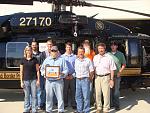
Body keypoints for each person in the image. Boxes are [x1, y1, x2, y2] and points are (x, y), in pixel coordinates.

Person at [40, 46, 68, 113]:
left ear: (57, 52)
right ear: (50, 52)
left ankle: (61, 110)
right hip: (49, 81)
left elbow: (66, 70)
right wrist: (44, 74)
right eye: (52, 51)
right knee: (48, 97)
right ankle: (48, 110)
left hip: (59, 81)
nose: (53, 52)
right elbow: (42, 69)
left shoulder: (62, 60)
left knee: (60, 97)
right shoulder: (47, 60)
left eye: (55, 51)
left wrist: (62, 74)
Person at [93, 43, 116, 113]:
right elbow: (94, 68)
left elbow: (112, 69)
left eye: (102, 48)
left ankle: (106, 108)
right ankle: (99, 107)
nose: (100, 50)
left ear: (104, 48)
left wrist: (111, 79)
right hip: (97, 77)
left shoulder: (109, 57)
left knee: (106, 94)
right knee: (97, 93)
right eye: (99, 48)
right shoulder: (95, 57)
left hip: (106, 77)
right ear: (97, 49)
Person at [74, 46, 94, 113]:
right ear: (77, 52)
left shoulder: (88, 60)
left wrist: (90, 78)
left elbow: (91, 70)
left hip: (85, 80)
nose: (81, 53)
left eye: (82, 52)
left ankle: (86, 110)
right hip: (77, 80)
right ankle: (79, 110)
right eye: (79, 52)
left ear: (84, 52)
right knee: (78, 96)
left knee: (86, 97)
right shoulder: (76, 60)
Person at [20, 46, 40, 113]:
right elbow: (21, 71)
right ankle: (26, 109)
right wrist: (21, 82)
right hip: (25, 80)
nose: (28, 51)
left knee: (34, 96)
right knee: (26, 96)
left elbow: (37, 70)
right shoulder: (22, 60)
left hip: (34, 80)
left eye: (29, 50)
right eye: (27, 50)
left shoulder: (35, 59)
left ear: (31, 51)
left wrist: (38, 80)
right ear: (25, 51)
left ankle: (34, 109)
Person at [109, 41, 126, 110]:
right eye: (112, 45)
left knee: (116, 91)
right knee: (109, 91)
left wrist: (120, 71)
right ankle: (110, 104)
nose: (113, 46)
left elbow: (124, 64)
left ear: (117, 46)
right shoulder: (107, 54)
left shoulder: (121, 54)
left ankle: (117, 105)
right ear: (110, 46)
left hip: (117, 75)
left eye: (114, 45)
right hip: (109, 76)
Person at [61, 42, 76, 109]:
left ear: (71, 48)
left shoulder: (75, 57)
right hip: (65, 77)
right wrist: (65, 75)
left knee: (73, 91)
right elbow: (61, 67)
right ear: (65, 48)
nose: (68, 48)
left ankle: (74, 104)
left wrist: (73, 75)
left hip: (73, 76)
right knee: (65, 91)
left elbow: (77, 67)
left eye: (70, 47)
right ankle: (65, 103)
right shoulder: (62, 57)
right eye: (67, 47)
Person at [31, 41, 44, 110]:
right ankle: (32, 105)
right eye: (33, 45)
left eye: (35, 45)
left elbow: (43, 63)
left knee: (39, 90)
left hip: (39, 74)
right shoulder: (29, 54)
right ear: (31, 46)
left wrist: (40, 66)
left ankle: (39, 104)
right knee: (32, 91)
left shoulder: (41, 54)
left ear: (37, 46)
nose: (34, 46)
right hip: (32, 74)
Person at [82, 40, 95, 105]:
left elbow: (94, 63)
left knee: (90, 89)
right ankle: (84, 102)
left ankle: (90, 101)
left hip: (90, 73)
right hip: (82, 74)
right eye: (85, 44)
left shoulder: (92, 52)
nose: (86, 45)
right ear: (83, 45)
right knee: (83, 89)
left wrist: (92, 74)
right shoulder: (81, 52)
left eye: (87, 44)